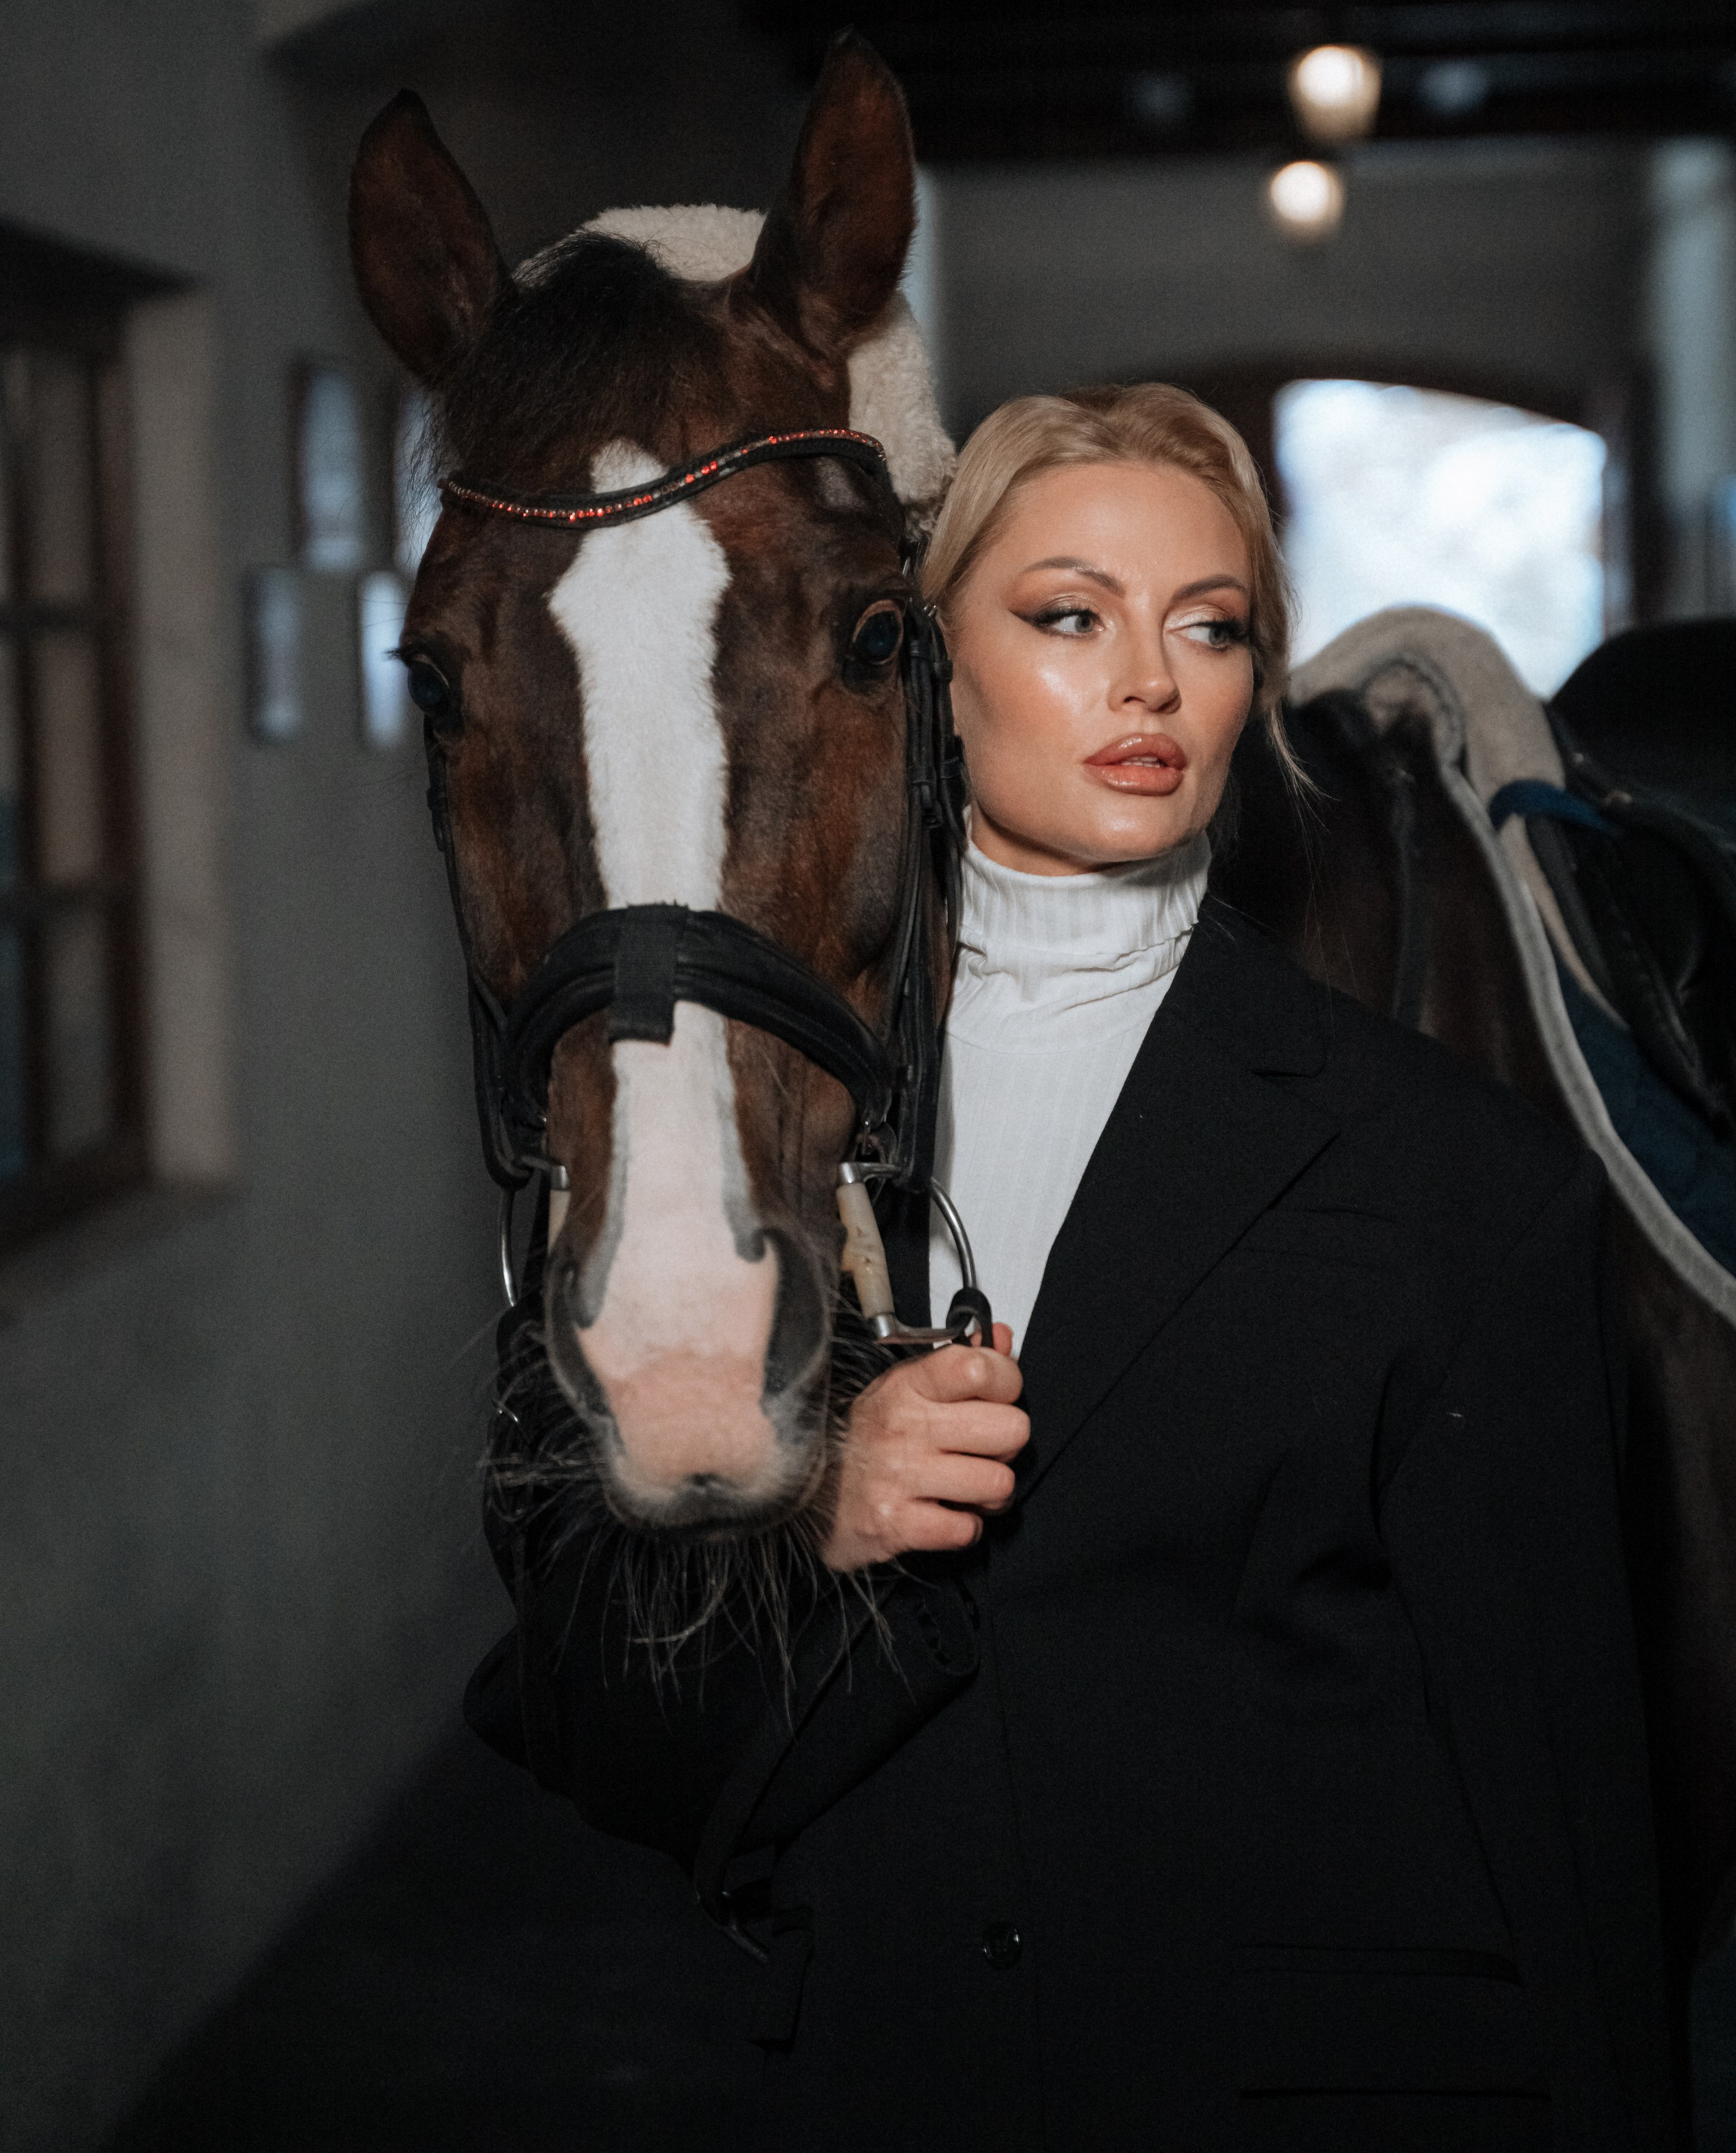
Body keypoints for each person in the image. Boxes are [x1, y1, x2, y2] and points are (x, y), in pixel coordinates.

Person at [472, 383, 1671, 2151]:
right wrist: (808, 1515)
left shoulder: (1457, 1183)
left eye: (1211, 626)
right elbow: (577, 1702)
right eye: (1065, 616)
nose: (1149, 686)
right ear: (921, 662)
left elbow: (1568, 1827)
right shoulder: (721, 1141)